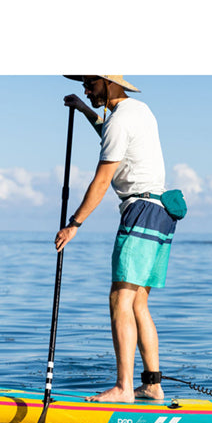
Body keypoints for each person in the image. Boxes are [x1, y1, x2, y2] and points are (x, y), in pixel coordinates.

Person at [56, 75, 176, 404]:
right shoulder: (139, 111)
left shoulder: (119, 121)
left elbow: (102, 179)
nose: (85, 89)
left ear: (109, 83)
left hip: (139, 210)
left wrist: (74, 224)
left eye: (90, 83)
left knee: (119, 299)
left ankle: (124, 388)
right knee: (138, 302)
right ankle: (152, 385)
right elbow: (113, 137)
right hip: (162, 212)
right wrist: (85, 111)